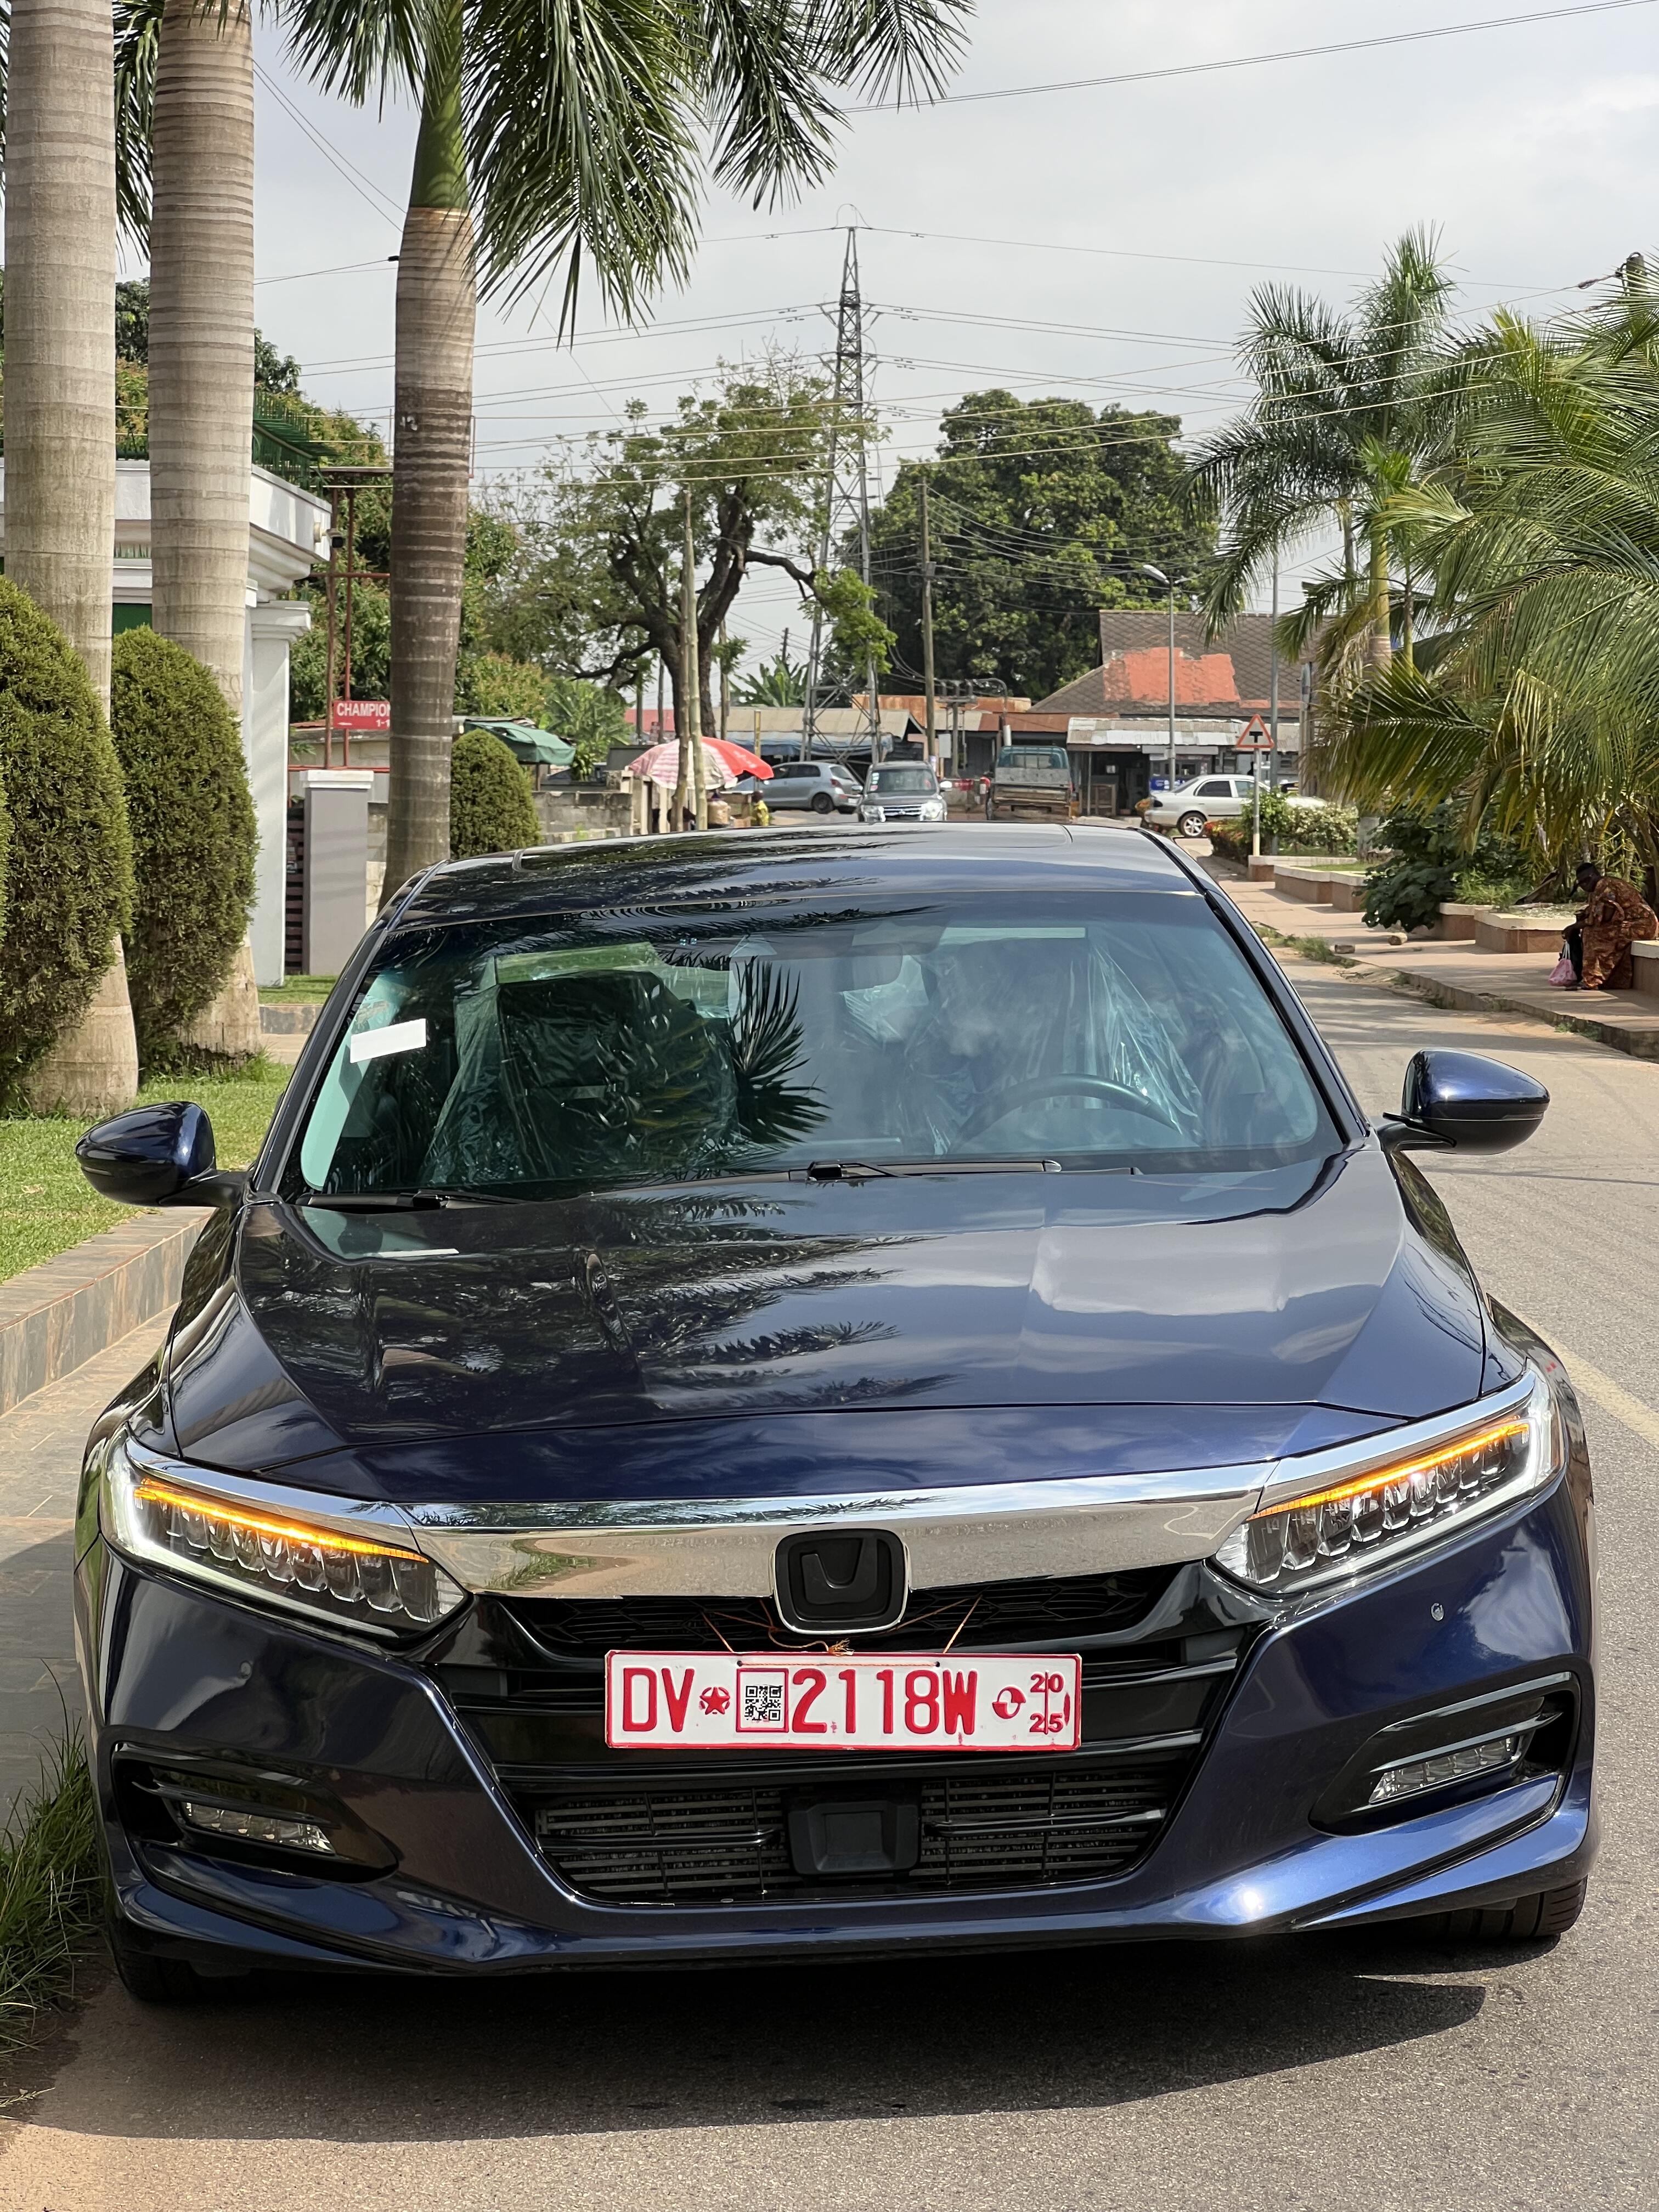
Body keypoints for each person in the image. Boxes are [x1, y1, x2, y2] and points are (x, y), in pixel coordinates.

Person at [1565, 861, 1658, 990]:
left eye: (1584, 882)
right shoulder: (1599, 888)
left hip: (1642, 924)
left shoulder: (1605, 887)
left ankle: (1592, 980)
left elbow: (1603, 918)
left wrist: (1574, 927)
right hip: (1633, 923)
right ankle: (1598, 978)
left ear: (1592, 877)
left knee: (1594, 934)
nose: (1583, 886)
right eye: (1581, 884)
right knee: (1591, 932)